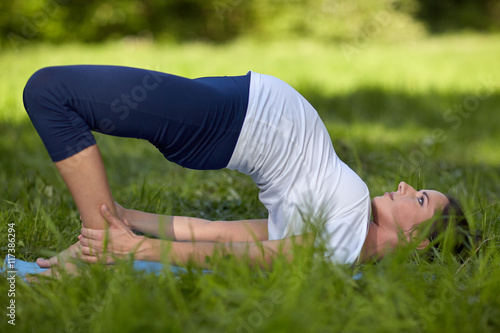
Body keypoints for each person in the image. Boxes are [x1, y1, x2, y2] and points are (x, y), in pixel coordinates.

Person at [22, 65, 468, 276]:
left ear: (418, 240)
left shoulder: (343, 243)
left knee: (50, 93)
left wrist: (136, 249)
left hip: (232, 120)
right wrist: (131, 219)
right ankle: (101, 237)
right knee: (57, 94)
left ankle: (95, 246)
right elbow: (219, 232)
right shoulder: (342, 226)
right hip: (237, 110)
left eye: (421, 198)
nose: (406, 185)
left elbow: (252, 256)